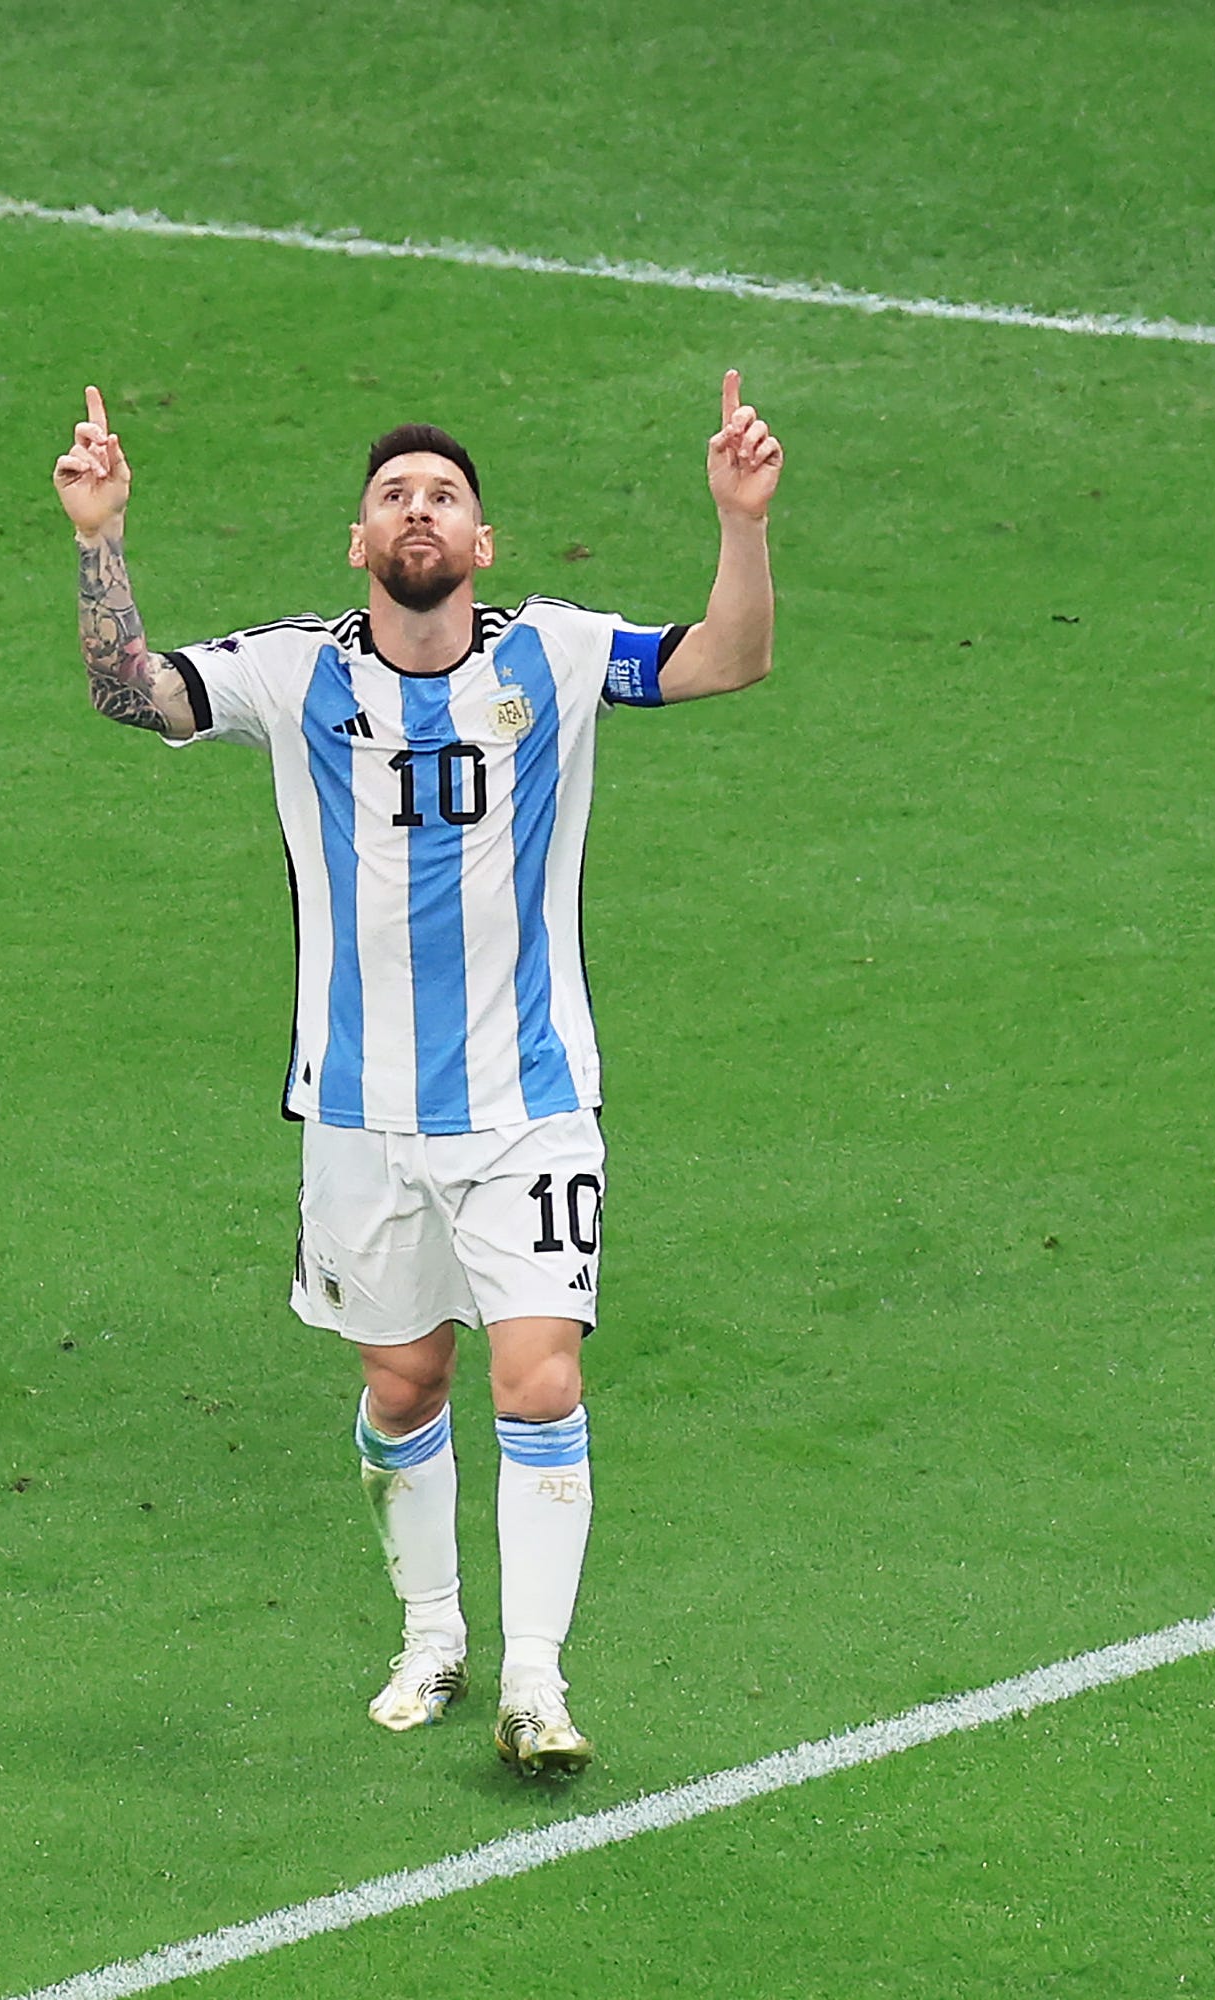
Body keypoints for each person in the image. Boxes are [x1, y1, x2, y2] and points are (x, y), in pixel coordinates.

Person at [50, 374, 782, 1776]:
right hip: (360, 1109)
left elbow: (725, 660)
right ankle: (433, 1634)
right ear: (358, 542)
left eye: (443, 494)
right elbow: (125, 692)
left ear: (484, 543)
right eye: (395, 494)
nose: (419, 509)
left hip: (530, 1099)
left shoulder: (556, 659)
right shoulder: (293, 671)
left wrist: (740, 523)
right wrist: (102, 536)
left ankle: (535, 1682)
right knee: (402, 1380)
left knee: (541, 1380)